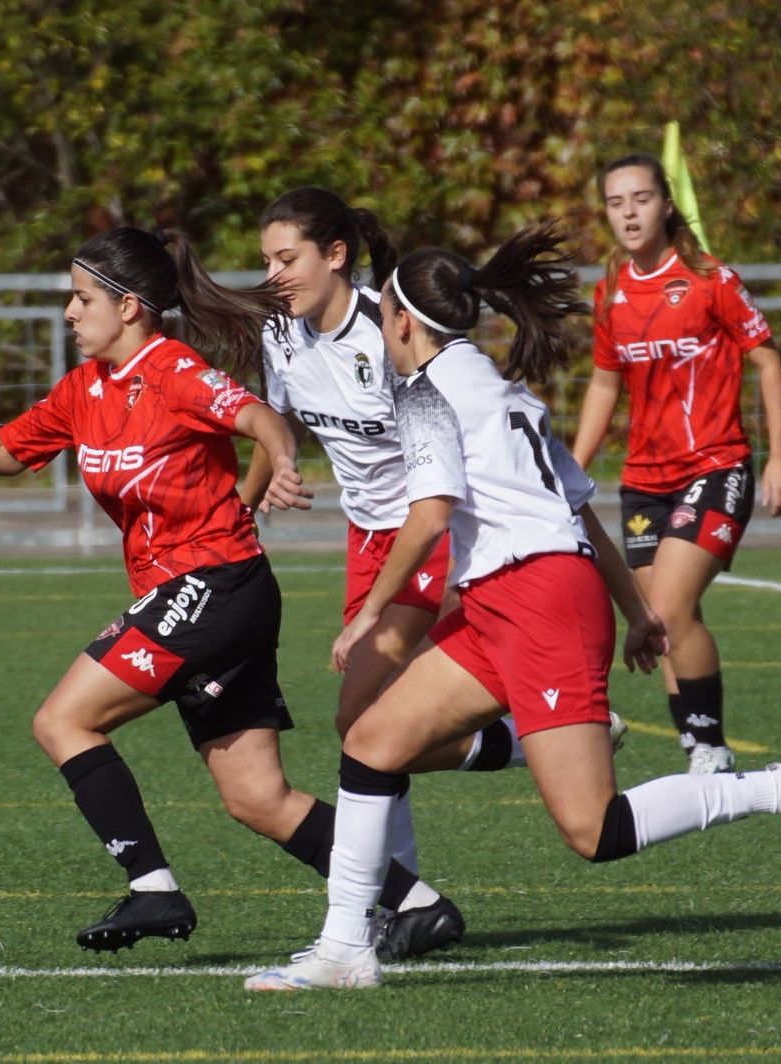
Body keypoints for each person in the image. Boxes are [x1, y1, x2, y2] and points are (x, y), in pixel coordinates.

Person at [243, 223, 781, 992]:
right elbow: (579, 507)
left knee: (592, 830)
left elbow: (430, 516)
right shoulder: (496, 385)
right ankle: (344, 950)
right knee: (370, 741)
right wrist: (636, 609)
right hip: (513, 598)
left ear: (401, 322)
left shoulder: (429, 393)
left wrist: (368, 613)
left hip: (539, 602)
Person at [0, 225, 453, 956]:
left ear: (131, 306)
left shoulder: (171, 370)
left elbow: (261, 416)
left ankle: (153, 889)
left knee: (63, 721)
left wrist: (280, 459)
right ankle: (416, 902)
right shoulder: (84, 391)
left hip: (217, 584)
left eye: (82, 299)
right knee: (257, 799)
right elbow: (7, 450)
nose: (70, 314)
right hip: (204, 594)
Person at [239, 187, 615, 958]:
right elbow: (273, 421)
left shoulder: (396, 332)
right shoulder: (280, 332)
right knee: (367, 730)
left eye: (287, 258)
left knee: (364, 725)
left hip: (428, 537)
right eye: (266, 260)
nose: (273, 274)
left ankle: (401, 903)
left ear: (335, 256)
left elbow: (444, 487)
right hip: (367, 537)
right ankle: (426, 875)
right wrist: (269, 473)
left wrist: (373, 608)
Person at [570, 153, 781, 774]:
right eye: (616, 203)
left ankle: (710, 747)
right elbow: (602, 384)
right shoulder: (611, 289)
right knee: (663, 621)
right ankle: (697, 747)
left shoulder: (711, 279)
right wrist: (570, 470)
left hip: (716, 467)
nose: (629, 213)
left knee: (666, 612)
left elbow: (768, 360)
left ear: (666, 204)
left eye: (640, 199)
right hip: (644, 482)